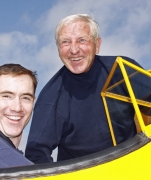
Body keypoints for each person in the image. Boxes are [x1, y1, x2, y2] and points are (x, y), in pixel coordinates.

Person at [25, 14, 143, 164]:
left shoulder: (122, 70)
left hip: (134, 164)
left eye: (82, 40)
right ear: (58, 48)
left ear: (97, 44)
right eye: (65, 42)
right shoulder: (51, 97)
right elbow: (36, 154)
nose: (74, 50)